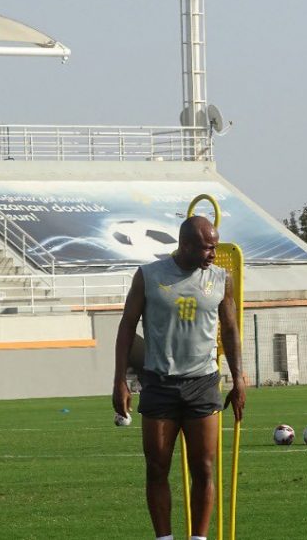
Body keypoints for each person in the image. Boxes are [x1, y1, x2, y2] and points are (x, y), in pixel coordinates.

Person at [113, 216, 246, 540]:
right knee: (157, 468)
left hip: (202, 383)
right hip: (159, 383)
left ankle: (198, 539)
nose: (213, 253)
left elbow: (229, 329)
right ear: (185, 245)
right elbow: (127, 326)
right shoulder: (149, 276)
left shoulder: (220, 278)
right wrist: (120, 380)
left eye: (215, 245)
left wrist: (239, 377)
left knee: (203, 468)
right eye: (207, 247)